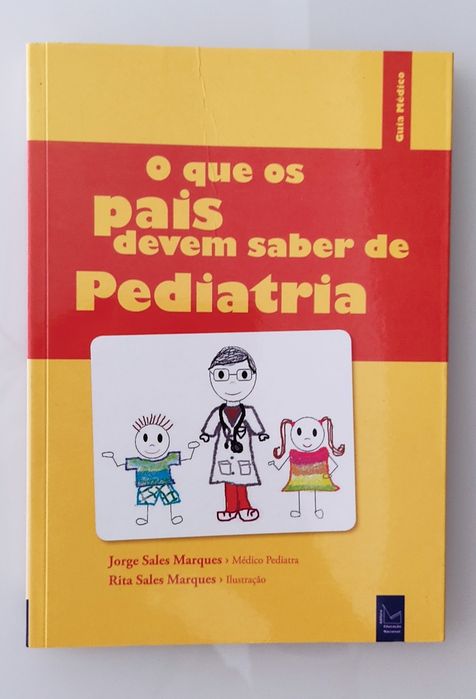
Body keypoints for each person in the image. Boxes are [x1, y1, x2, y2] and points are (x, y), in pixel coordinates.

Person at [200, 346, 269, 522]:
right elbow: (211, 426)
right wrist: (206, 435)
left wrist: (260, 434)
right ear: (211, 376)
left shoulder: (248, 411)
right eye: (222, 375)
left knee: (242, 481)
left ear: (253, 376)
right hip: (224, 454)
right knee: (229, 482)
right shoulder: (218, 412)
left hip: (242, 454)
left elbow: (255, 425)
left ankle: (245, 507)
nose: (232, 383)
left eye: (243, 375)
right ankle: (230, 509)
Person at [102, 413, 199, 526]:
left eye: (159, 439)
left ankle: (173, 516)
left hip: (164, 483)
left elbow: (187, 457)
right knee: (145, 500)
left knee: (170, 498)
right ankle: (144, 517)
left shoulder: (167, 459)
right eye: (145, 439)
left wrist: (192, 449)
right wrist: (112, 457)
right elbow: (120, 464)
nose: (152, 444)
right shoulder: (138, 462)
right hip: (146, 484)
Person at [268, 416, 344, 519]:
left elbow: (335, 466)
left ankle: (315, 510)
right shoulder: (294, 455)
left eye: (314, 433)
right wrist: (273, 464)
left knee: (312, 494)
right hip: (300, 482)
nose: (307, 439)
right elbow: (279, 467)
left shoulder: (322, 454)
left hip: (316, 481)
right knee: (301, 495)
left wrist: (329, 475)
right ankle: (300, 511)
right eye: (299, 432)